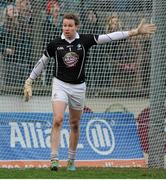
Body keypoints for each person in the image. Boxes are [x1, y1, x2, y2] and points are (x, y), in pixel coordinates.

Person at [23, 13, 156, 171]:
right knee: (57, 119)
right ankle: (54, 159)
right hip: (60, 85)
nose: (67, 28)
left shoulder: (85, 40)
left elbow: (110, 36)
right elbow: (42, 62)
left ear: (76, 27)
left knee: (74, 124)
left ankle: (71, 160)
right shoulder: (55, 44)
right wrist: (29, 81)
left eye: (70, 26)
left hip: (78, 87)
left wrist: (134, 32)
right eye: (64, 25)